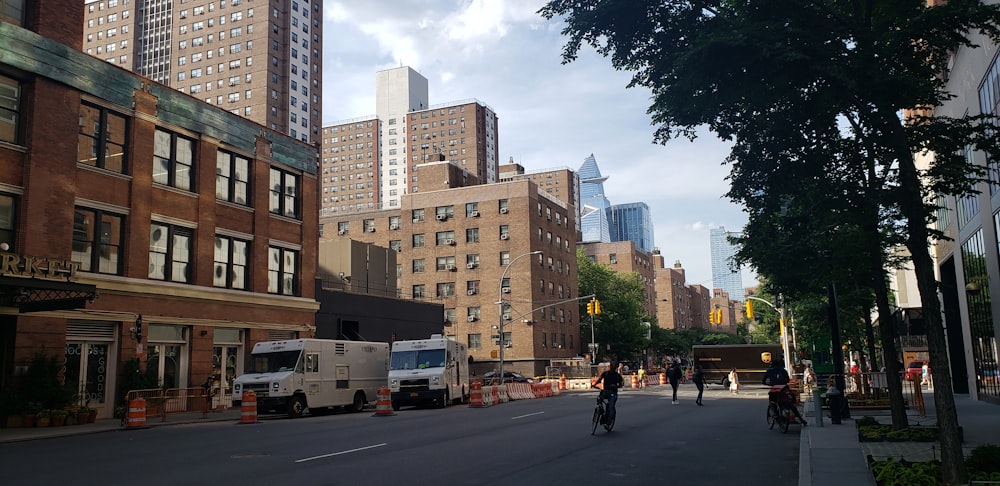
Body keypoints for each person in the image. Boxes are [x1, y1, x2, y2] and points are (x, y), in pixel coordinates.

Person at [763, 359, 807, 425]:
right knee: (790, 403)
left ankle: (776, 414)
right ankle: (800, 418)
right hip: (784, 389)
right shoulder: (783, 370)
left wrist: (768, 383)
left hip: (775, 389)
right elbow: (787, 379)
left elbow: (763, 380)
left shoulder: (769, 371)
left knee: (772, 402)